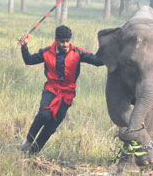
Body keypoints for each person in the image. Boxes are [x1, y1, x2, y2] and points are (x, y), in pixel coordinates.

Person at [18, 24, 104, 154]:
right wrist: (24, 46)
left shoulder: (77, 53)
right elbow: (29, 60)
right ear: (56, 40)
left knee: (52, 126)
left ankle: (33, 153)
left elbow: (98, 61)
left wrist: (112, 49)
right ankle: (29, 141)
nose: (65, 44)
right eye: (62, 41)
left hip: (67, 93)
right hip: (51, 89)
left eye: (67, 41)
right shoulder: (46, 53)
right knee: (44, 114)